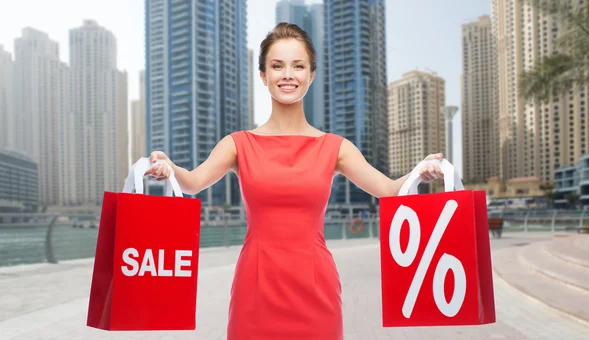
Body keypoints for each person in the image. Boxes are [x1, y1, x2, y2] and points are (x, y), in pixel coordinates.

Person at [145, 22, 444, 340]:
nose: (287, 74)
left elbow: (387, 189)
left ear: (311, 75)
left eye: (298, 66)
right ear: (263, 76)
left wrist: (419, 172)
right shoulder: (238, 144)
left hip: (316, 289)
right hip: (255, 289)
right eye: (277, 66)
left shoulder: (335, 147)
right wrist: (169, 167)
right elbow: (192, 182)